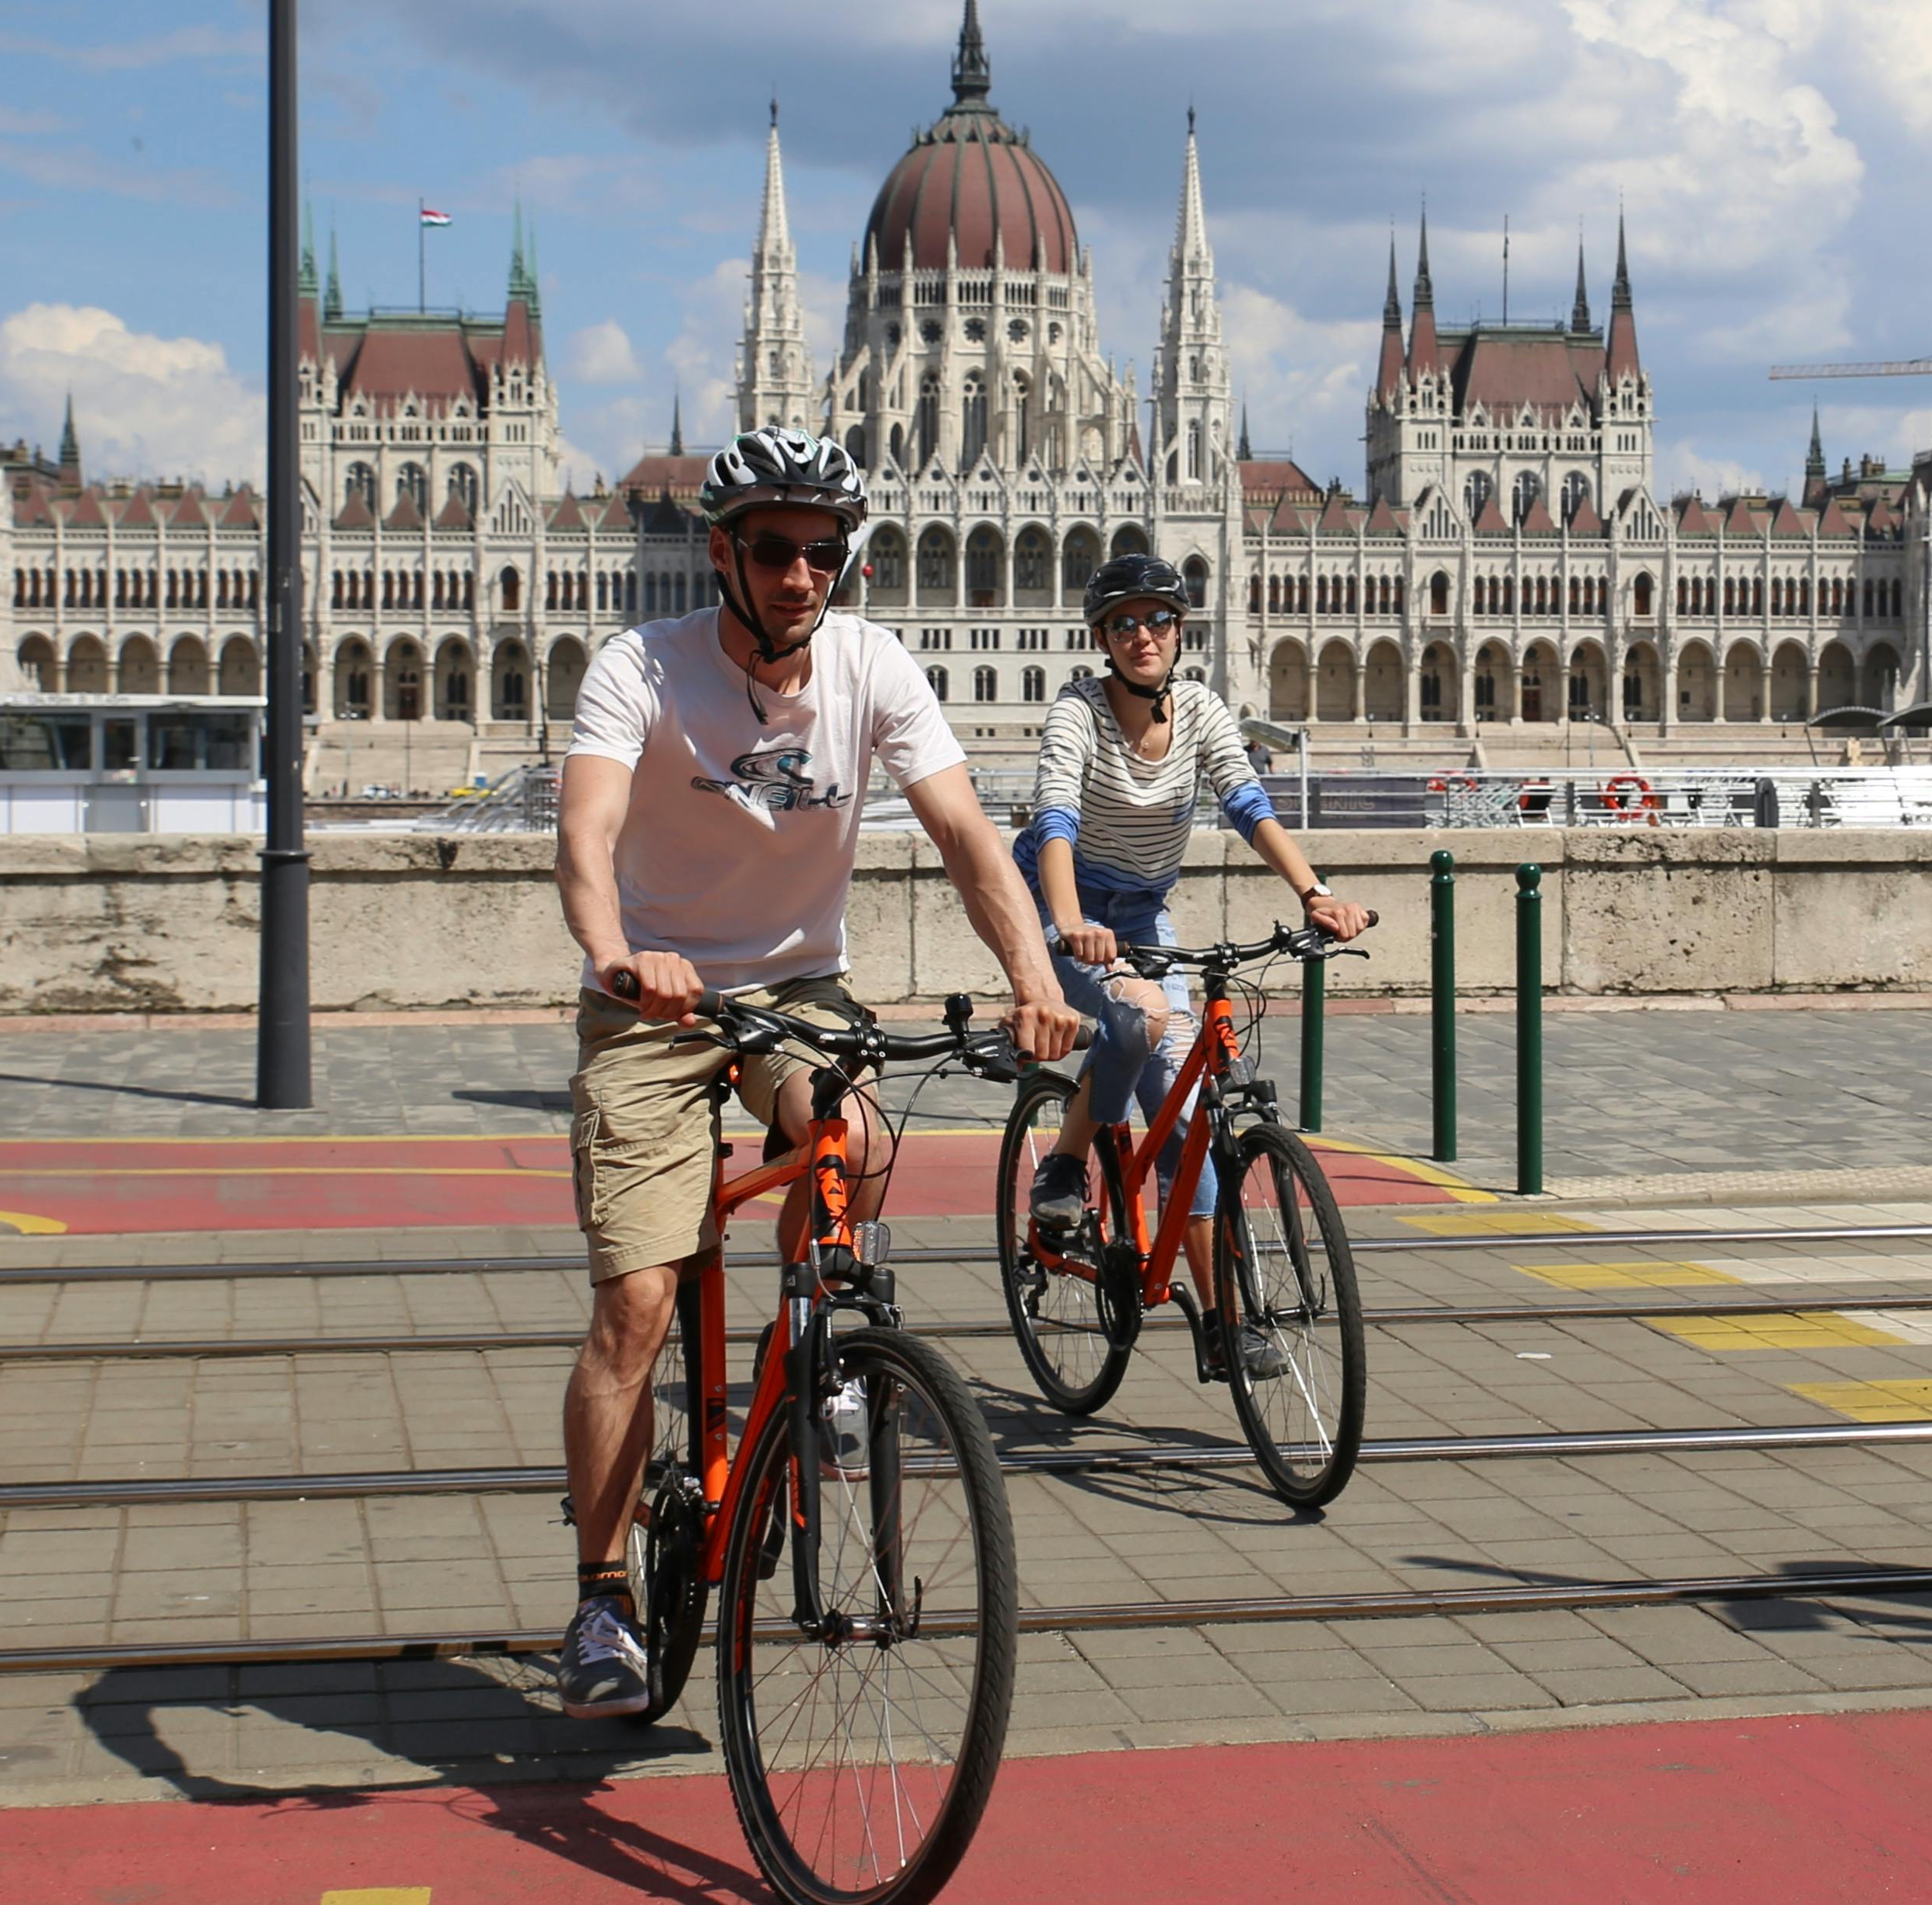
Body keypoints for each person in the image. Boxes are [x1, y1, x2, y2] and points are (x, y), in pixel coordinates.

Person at [549, 426, 1080, 1719]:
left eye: (824, 552)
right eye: (776, 549)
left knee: (859, 1137)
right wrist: (621, 951)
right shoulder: (639, 666)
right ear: (722, 552)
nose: (801, 574)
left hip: (795, 988)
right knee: (635, 1305)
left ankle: (811, 1355)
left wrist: (1034, 974)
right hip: (654, 997)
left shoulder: (869, 661)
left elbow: (963, 833)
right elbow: (585, 831)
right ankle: (602, 1592)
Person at [1017, 554, 1370, 1377]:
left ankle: (1221, 1324)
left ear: (1180, 631)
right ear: (1101, 637)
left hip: (1141, 912)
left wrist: (1315, 892)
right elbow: (1056, 817)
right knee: (1135, 1016)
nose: (1143, 635)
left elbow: (1248, 805)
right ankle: (1066, 1161)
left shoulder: (1203, 709)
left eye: (1158, 620)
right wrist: (1068, 924)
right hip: (1058, 903)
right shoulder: (1077, 711)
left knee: (1189, 1129)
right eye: (1124, 623)